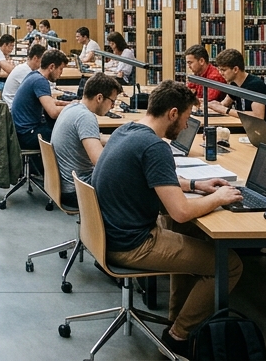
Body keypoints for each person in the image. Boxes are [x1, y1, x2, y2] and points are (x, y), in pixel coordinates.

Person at [93, 80, 243, 354]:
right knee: (230, 265)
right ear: (172, 113)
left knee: (189, 235)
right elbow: (181, 212)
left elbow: (157, 178)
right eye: (186, 119)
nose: (186, 126)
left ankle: (177, 318)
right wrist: (219, 198)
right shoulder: (155, 146)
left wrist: (196, 186)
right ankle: (179, 336)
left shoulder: (127, 130)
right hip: (133, 244)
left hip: (111, 233)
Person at [50, 72, 122, 207]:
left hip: (65, 184)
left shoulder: (73, 107)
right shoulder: (86, 117)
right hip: (77, 190)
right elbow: (101, 164)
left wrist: (118, 140)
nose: (112, 107)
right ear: (99, 98)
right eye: (112, 101)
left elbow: (94, 138)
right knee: (133, 181)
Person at [205, 48, 266, 132]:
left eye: (223, 70)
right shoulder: (234, 83)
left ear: (235, 69)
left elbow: (258, 116)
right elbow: (224, 103)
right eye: (219, 69)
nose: (220, 73)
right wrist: (212, 105)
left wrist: (225, 110)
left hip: (265, 132)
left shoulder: (255, 85)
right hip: (249, 128)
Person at [12, 48, 69, 151]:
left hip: (20, 132)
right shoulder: (40, 81)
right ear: (52, 67)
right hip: (27, 135)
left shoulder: (33, 75)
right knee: (67, 135)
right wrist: (76, 106)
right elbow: (53, 112)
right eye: (60, 69)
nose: (61, 73)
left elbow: (49, 102)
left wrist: (68, 103)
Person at [184, 45, 227, 109]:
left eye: (190, 63)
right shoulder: (197, 74)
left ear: (201, 61)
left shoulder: (215, 77)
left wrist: (194, 100)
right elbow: (186, 96)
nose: (188, 66)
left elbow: (207, 101)